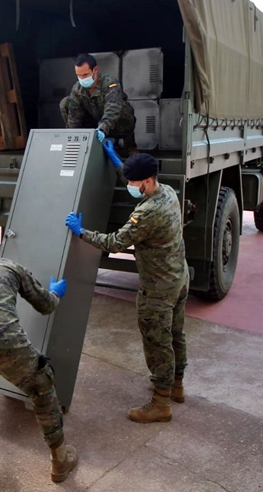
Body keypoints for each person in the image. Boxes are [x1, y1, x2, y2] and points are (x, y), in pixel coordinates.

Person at [64, 150, 188, 423]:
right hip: (179, 279)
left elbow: (114, 243)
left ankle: (160, 404)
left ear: (145, 181)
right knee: (176, 334)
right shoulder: (167, 192)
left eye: (132, 183)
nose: (129, 187)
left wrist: (81, 231)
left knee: (158, 343)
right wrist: (116, 159)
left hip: (157, 289)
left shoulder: (146, 213)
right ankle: (176, 386)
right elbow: (135, 177)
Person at [0, 235, 78, 483]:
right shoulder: (8, 266)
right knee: (41, 389)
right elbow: (45, 305)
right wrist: (54, 293)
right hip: (7, 344)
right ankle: (60, 460)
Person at [59, 53, 138, 156]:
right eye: (79, 75)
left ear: (95, 70)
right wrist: (72, 141)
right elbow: (74, 117)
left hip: (114, 125)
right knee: (65, 103)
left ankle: (130, 146)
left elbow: (112, 109)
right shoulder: (77, 89)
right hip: (93, 124)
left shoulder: (110, 84)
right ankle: (84, 145)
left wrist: (102, 129)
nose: (82, 79)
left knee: (124, 109)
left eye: (85, 75)